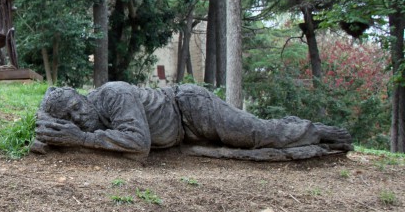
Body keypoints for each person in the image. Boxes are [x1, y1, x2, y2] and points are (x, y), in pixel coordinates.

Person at [33, 82, 352, 158]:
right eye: (71, 118)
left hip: (188, 107)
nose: (79, 116)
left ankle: (318, 132)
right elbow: (40, 134)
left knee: (253, 133)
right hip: (183, 134)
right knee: (251, 134)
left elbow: (139, 144)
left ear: (81, 95)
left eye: (76, 106)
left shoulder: (112, 94)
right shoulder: (88, 123)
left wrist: (82, 139)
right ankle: (306, 132)